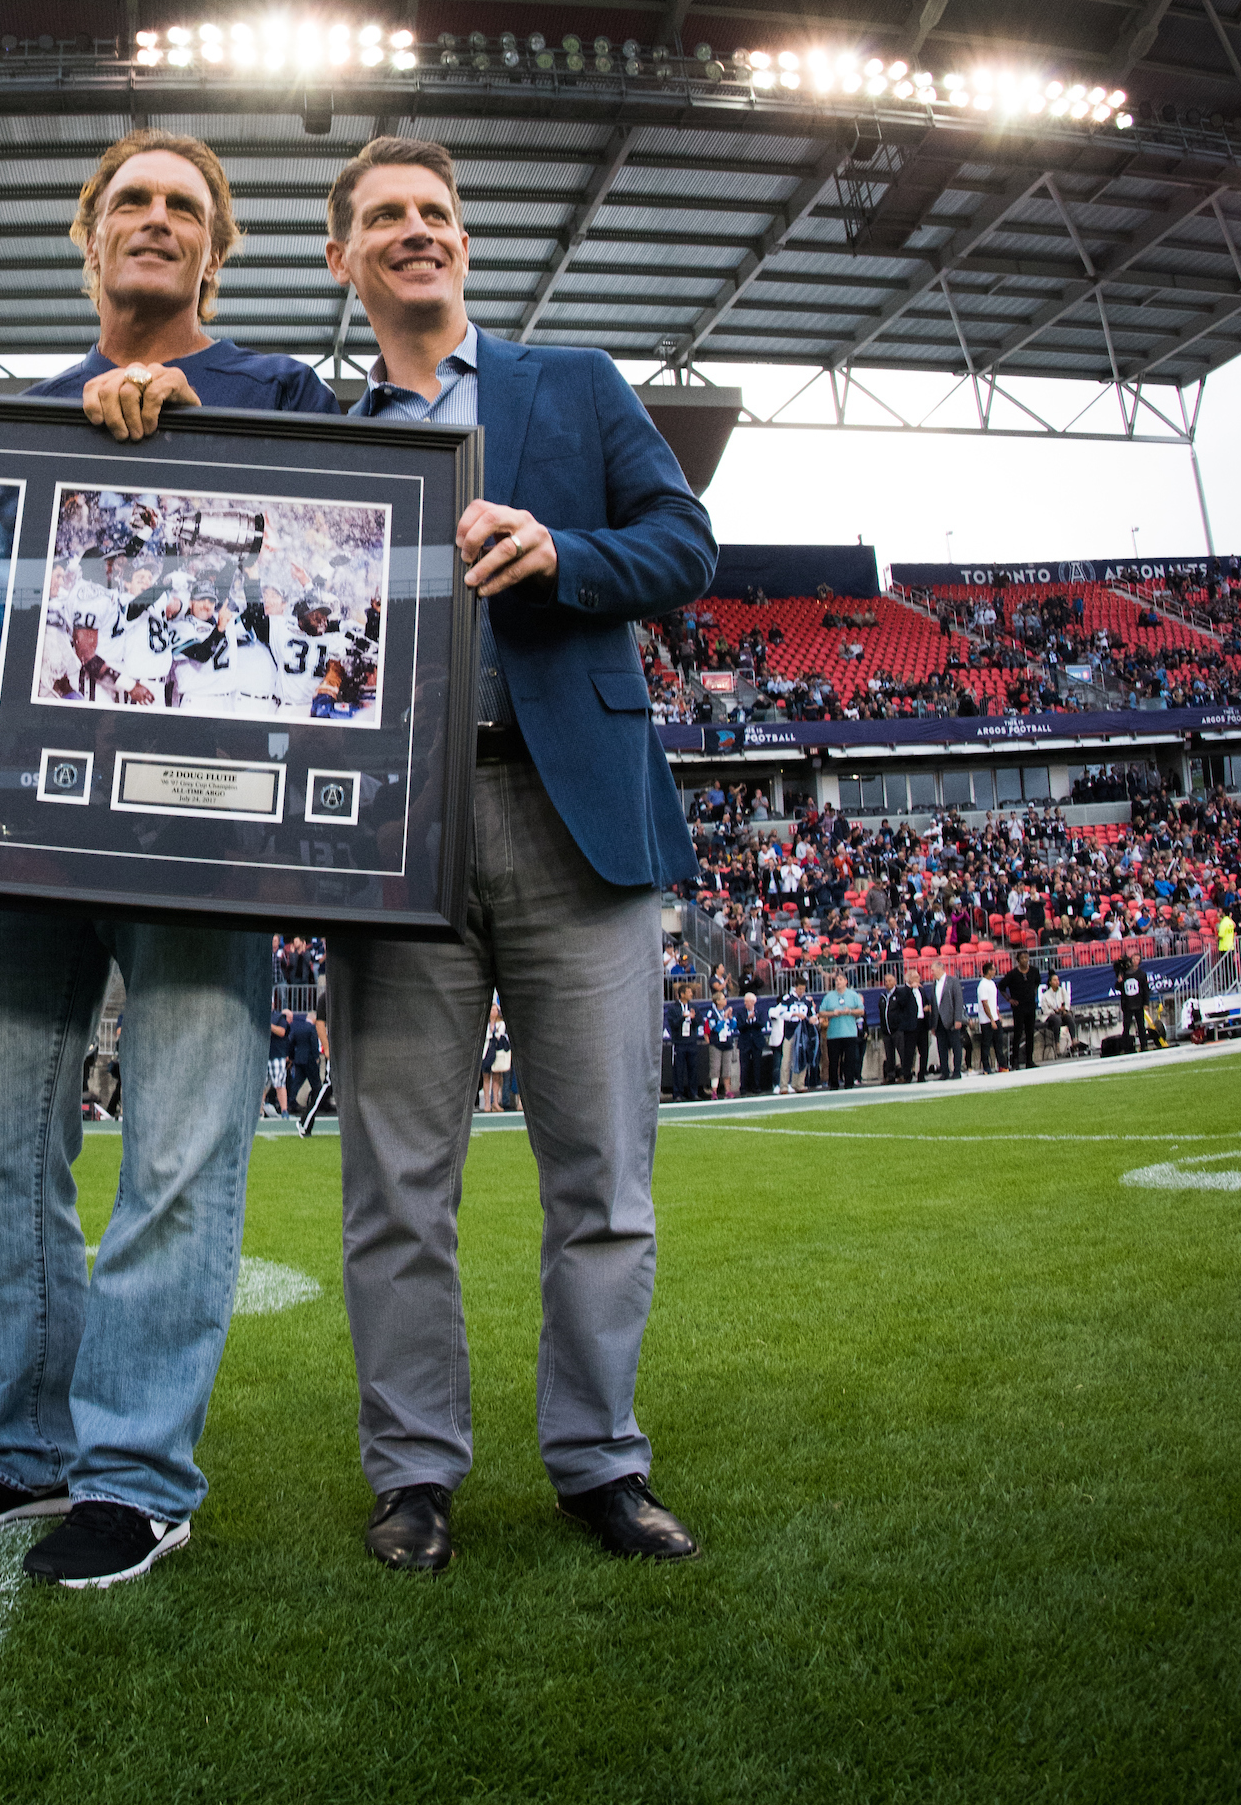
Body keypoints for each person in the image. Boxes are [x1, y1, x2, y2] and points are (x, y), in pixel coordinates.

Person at [0, 129, 331, 1590]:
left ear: (217, 250)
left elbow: (332, 578)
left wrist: (205, 444)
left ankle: (137, 1476)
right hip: (21, 821)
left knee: (182, 1145)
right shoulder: (23, 417)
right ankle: (24, 1447)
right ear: (89, 240)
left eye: (184, 206)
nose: (156, 219)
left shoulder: (281, 391)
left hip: (209, 828)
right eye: (131, 200)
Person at [277, 133, 715, 1571]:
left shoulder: (573, 385)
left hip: (570, 811)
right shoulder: (323, 432)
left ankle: (600, 1459)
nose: (417, 231)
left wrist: (567, 553)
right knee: (396, 1181)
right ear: (343, 258)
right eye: (385, 217)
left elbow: (685, 544)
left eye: (437, 213)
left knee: (603, 1173)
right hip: (397, 832)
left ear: (464, 242)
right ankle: (414, 1472)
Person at [817, 972, 864, 1089]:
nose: (838, 982)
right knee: (833, 1060)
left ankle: (849, 1083)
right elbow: (821, 1012)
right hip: (833, 1034)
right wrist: (832, 1013)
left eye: (840, 980)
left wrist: (850, 1011)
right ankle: (833, 1084)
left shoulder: (853, 995)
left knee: (849, 1059)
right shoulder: (829, 997)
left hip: (849, 1033)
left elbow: (861, 1011)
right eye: (836, 980)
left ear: (846, 982)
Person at [1005, 947, 1041, 1072]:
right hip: (1019, 1008)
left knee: (1030, 1033)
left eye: (1026, 957)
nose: (1025, 960)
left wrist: (1033, 992)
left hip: (1030, 1006)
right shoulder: (1013, 974)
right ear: (1018, 960)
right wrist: (1009, 999)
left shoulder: (1034, 971)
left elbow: (1037, 982)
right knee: (1018, 1033)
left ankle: (1029, 1060)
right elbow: (1002, 986)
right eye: (1022, 958)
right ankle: (1015, 1061)